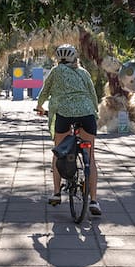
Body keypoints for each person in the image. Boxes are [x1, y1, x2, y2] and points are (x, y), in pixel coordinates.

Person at [35, 44, 102, 215]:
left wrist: (40, 106)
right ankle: (94, 201)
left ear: (58, 59)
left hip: (64, 114)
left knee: (59, 152)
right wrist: (94, 112)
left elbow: (44, 91)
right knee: (91, 157)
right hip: (87, 115)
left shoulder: (56, 72)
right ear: (75, 58)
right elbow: (93, 95)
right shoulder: (84, 73)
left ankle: (57, 193)